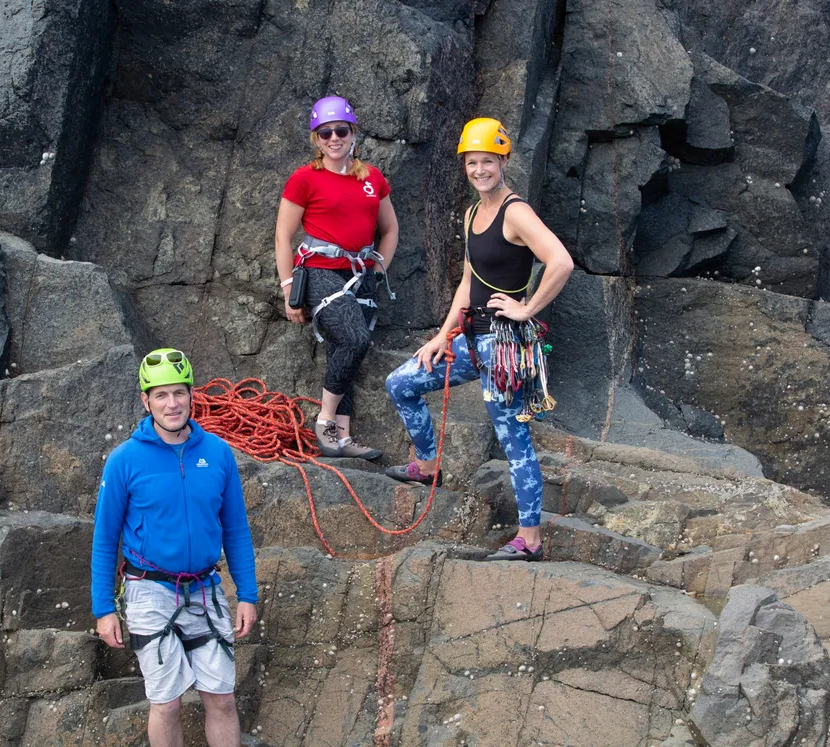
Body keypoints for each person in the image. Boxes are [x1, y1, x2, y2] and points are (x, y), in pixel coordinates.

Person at [383, 118, 574, 561]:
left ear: (503, 160)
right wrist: (441, 336)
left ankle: (530, 540)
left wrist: (527, 308)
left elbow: (559, 262)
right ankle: (428, 466)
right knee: (402, 383)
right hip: (472, 337)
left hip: (506, 346)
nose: (479, 169)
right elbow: (469, 281)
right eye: (472, 162)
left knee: (513, 439)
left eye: (488, 161)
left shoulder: (516, 211)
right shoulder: (472, 213)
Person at [90, 348, 258, 747]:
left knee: (222, 698)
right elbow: (104, 538)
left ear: (191, 396)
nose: (172, 403)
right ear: (145, 401)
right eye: (161, 395)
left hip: (205, 589)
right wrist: (103, 609)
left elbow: (235, 529)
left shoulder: (217, 454)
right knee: (166, 703)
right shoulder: (124, 461)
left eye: (179, 393)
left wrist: (247, 594)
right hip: (149, 590)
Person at [275, 95, 399, 460]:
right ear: (316, 139)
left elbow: (390, 230)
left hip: (359, 275)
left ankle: (342, 438)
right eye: (325, 132)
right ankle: (325, 421)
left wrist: (378, 270)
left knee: (346, 349)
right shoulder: (304, 179)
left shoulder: (373, 179)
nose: (334, 138)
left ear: (352, 133)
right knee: (355, 338)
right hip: (319, 273)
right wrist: (287, 289)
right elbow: (283, 236)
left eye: (340, 130)